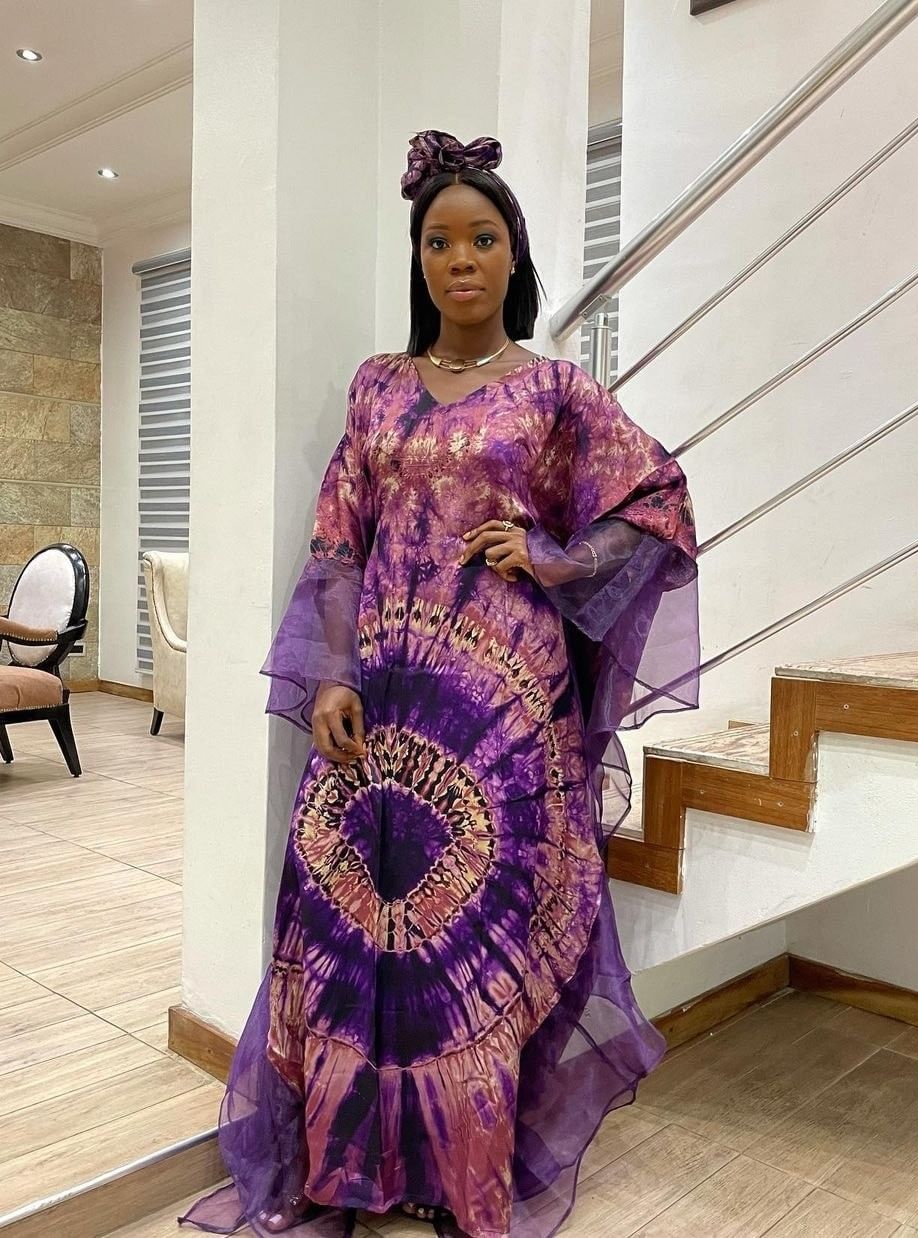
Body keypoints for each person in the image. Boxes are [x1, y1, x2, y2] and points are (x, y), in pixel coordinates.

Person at [180, 129, 700, 1238]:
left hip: (506, 710)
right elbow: (339, 543)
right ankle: (342, 1172)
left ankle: (466, 1180)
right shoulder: (377, 386)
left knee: (477, 944)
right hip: (382, 697)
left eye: (482, 238)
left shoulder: (558, 393)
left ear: (515, 254)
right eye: (438, 241)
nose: (460, 258)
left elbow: (657, 501)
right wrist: (329, 673)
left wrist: (558, 559)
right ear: (419, 259)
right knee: (347, 923)